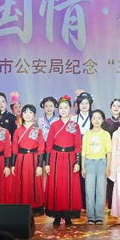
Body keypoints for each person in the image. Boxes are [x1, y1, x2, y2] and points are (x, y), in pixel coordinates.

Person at [45, 96, 83, 226]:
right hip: (56, 157)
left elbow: (78, 145)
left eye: (66, 108)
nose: (63, 110)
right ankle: (56, 216)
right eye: (61, 108)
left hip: (70, 157)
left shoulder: (75, 125)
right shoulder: (54, 125)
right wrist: (47, 163)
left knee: (69, 186)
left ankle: (68, 216)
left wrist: (77, 162)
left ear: (70, 109)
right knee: (56, 185)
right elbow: (49, 145)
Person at [11, 104, 45, 212]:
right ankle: (21, 205)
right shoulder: (17, 131)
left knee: (34, 182)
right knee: (21, 181)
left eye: (30, 112)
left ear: (34, 115)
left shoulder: (38, 131)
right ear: (22, 114)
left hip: (34, 159)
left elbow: (41, 149)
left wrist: (40, 166)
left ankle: (35, 206)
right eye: (25, 112)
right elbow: (14, 149)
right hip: (21, 159)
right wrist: (12, 165)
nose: (28, 115)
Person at [81, 109, 112, 224]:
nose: (96, 120)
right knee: (89, 191)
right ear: (91, 120)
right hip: (89, 162)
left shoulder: (106, 134)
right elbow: (83, 152)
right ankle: (90, 217)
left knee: (101, 191)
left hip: (101, 162)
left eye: (99, 118)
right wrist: (83, 166)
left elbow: (109, 151)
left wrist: (108, 167)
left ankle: (99, 216)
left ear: (103, 120)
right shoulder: (87, 134)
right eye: (94, 118)